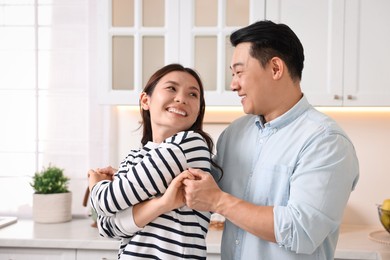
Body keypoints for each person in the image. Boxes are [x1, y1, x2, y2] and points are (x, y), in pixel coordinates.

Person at [181, 20, 360, 259]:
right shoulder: (234, 133)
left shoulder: (326, 141)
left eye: (239, 72)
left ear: (276, 68)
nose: (233, 85)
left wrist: (218, 201)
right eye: (232, 74)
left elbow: (301, 231)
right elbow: (198, 186)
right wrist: (126, 177)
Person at [88, 63, 221, 259]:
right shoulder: (135, 157)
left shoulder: (190, 145)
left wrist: (96, 184)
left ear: (199, 110)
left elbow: (106, 202)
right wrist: (161, 204)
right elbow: (106, 227)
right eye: (171, 88)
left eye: (192, 94)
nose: (181, 98)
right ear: (145, 100)